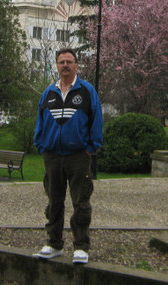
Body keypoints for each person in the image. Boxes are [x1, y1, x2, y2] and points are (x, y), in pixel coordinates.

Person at [33, 48, 103, 264]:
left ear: (76, 66)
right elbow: (40, 121)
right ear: (56, 65)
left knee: (81, 202)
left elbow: (97, 121)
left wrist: (91, 147)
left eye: (69, 62)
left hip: (78, 157)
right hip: (52, 156)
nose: (65, 65)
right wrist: (41, 145)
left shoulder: (87, 91)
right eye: (61, 62)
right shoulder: (49, 93)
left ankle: (81, 246)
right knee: (54, 201)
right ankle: (53, 243)